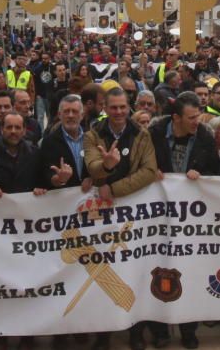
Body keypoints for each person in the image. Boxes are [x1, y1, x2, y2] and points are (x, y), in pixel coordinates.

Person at [83, 88, 158, 350]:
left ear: (129, 107)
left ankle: (136, 332)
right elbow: (92, 166)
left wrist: (114, 189)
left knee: (135, 270)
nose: (118, 112)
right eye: (113, 107)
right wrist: (106, 166)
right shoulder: (93, 135)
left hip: (133, 213)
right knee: (105, 272)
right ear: (105, 107)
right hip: (103, 218)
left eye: (122, 107)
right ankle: (103, 333)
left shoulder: (141, 134)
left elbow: (149, 170)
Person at [144, 92, 219, 349]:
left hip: (190, 220)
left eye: (198, 116)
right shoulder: (153, 134)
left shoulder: (206, 136)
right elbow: (139, 164)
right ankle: (160, 329)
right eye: (191, 118)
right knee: (158, 269)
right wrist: (149, 171)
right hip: (157, 217)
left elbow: (216, 171)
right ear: (176, 118)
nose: (196, 121)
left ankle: (188, 328)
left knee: (189, 271)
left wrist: (203, 174)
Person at [39, 95, 93, 192]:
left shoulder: (91, 137)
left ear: (82, 115)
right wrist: (59, 179)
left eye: (75, 111)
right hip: (64, 201)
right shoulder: (49, 141)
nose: (70, 115)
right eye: (66, 111)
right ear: (59, 115)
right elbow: (46, 173)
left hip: (88, 198)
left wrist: (92, 178)